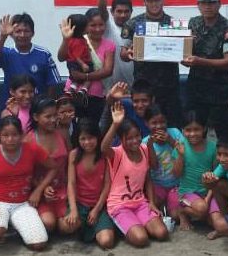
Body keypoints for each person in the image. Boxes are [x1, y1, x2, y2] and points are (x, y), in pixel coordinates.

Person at [0, 116, 57, 250]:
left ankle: (16, 225)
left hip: (23, 203)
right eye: (5, 135)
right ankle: (4, 223)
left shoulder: (32, 150)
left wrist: (38, 190)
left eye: (14, 135)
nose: (10, 139)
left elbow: (54, 167)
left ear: (22, 134)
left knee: (39, 244)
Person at [100, 102, 168, 247]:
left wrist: (151, 203)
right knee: (141, 239)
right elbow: (103, 147)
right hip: (119, 205)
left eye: (137, 136)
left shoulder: (144, 148)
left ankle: (133, 224)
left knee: (162, 233)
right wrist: (115, 124)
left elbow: (147, 179)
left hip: (140, 203)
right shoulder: (117, 153)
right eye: (129, 138)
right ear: (121, 139)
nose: (134, 141)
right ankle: (124, 227)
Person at [121, 0, 182, 127]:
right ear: (144, 1)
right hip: (144, 87)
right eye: (150, 0)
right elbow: (123, 53)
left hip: (169, 86)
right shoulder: (133, 24)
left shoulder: (175, 24)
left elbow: (183, 51)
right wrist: (128, 53)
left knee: (171, 126)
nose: (154, 3)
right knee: (143, 127)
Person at [184, 0, 228, 140]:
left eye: (212, 3)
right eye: (204, 3)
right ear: (198, 5)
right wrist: (184, 59)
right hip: (196, 89)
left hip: (220, 92)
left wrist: (198, 61)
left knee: (222, 136)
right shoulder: (192, 23)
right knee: (195, 132)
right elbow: (186, 52)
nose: (208, 6)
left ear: (219, 4)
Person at [60, 119, 115, 249]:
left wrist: (96, 209)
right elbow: (71, 183)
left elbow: (107, 184)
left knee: (107, 241)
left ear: (97, 137)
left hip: (99, 206)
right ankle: (82, 227)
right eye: (83, 139)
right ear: (78, 140)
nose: (87, 142)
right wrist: (73, 210)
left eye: (91, 138)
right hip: (79, 204)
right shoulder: (73, 155)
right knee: (64, 227)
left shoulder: (104, 155)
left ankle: (95, 229)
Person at [0, 13, 61, 113]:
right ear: (11, 34)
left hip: (36, 111)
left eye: (26, 31)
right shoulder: (7, 52)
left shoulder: (44, 54)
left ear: (33, 33)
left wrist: (46, 108)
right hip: (11, 110)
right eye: (18, 31)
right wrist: (3, 36)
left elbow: (52, 84)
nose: (22, 35)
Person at [58, 9, 116, 127]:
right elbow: (61, 57)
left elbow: (107, 70)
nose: (97, 29)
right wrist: (65, 40)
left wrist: (84, 76)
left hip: (95, 95)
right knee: (71, 128)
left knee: (91, 129)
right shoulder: (75, 39)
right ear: (85, 26)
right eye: (93, 25)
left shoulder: (109, 45)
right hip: (72, 93)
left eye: (101, 25)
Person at [25, 97, 70, 233]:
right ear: (36, 117)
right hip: (39, 192)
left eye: (55, 115)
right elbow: (25, 172)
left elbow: (71, 160)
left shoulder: (62, 133)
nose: (53, 120)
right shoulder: (29, 140)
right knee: (48, 224)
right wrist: (40, 189)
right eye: (48, 116)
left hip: (62, 190)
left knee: (68, 227)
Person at [175, 111, 223, 232]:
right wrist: (180, 156)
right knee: (202, 209)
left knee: (220, 225)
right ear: (182, 130)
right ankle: (183, 211)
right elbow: (176, 174)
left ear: (204, 128)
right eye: (188, 130)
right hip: (187, 192)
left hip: (208, 191)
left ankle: (201, 215)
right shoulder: (181, 147)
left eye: (197, 129)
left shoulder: (213, 147)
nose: (192, 134)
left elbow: (216, 174)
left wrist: (208, 198)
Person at [143, 107, 185, 222]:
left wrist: (170, 141)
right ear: (147, 123)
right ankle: (164, 204)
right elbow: (154, 166)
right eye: (154, 123)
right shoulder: (145, 142)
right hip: (157, 185)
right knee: (152, 206)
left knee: (176, 216)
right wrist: (150, 147)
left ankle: (169, 204)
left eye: (162, 122)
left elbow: (184, 152)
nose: (159, 126)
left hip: (176, 184)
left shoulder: (175, 133)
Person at [96, 0, 134, 88]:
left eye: (126, 11)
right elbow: (101, 9)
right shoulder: (109, 26)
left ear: (131, 12)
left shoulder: (137, 29)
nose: (123, 15)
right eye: (119, 11)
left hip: (132, 89)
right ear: (112, 12)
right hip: (108, 89)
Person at [61, 13, 93, 95]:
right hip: (79, 62)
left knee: (75, 79)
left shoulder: (72, 39)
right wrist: (83, 64)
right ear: (82, 29)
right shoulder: (78, 42)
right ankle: (84, 89)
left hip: (72, 63)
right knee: (91, 74)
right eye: (87, 26)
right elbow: (77, 56)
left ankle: (73, 88)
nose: (89, 27)